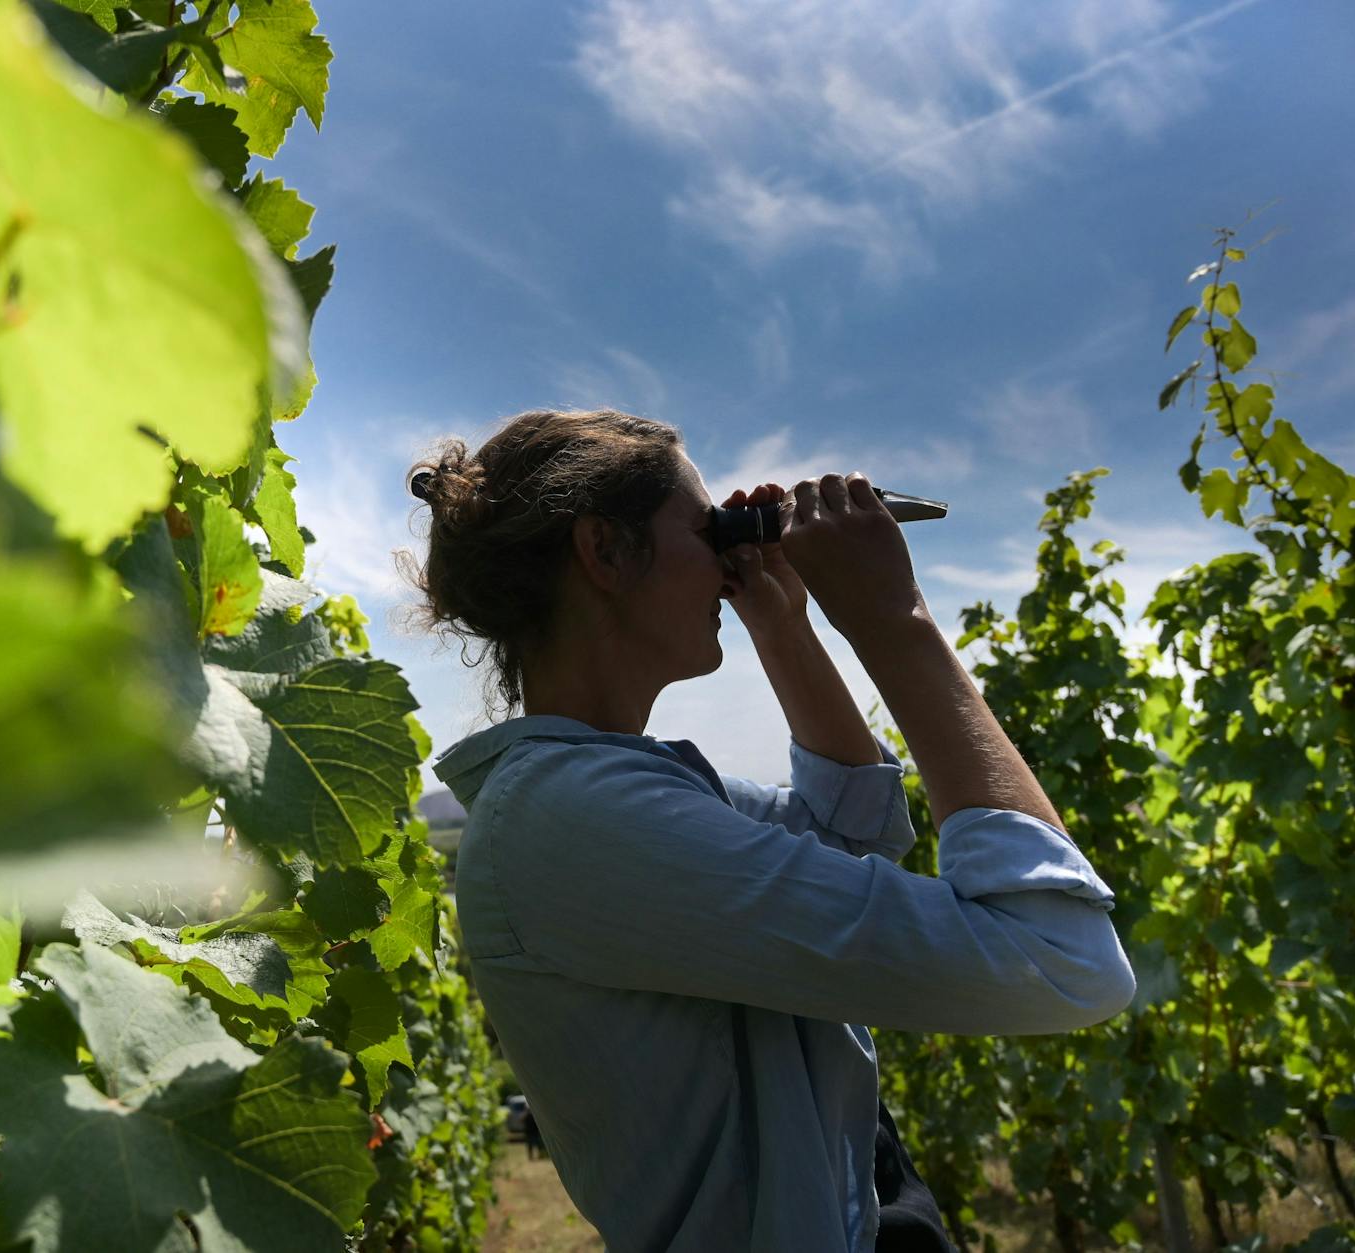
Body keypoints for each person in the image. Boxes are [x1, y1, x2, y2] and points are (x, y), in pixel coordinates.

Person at [399, 409, 1135, 1252]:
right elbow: (1063, 960)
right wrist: (895, 620)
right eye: (708, 528)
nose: (728, 555)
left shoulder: (614, 789)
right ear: (604, 550)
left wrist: (786, 629)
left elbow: (849, 835)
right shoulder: (570, 815)